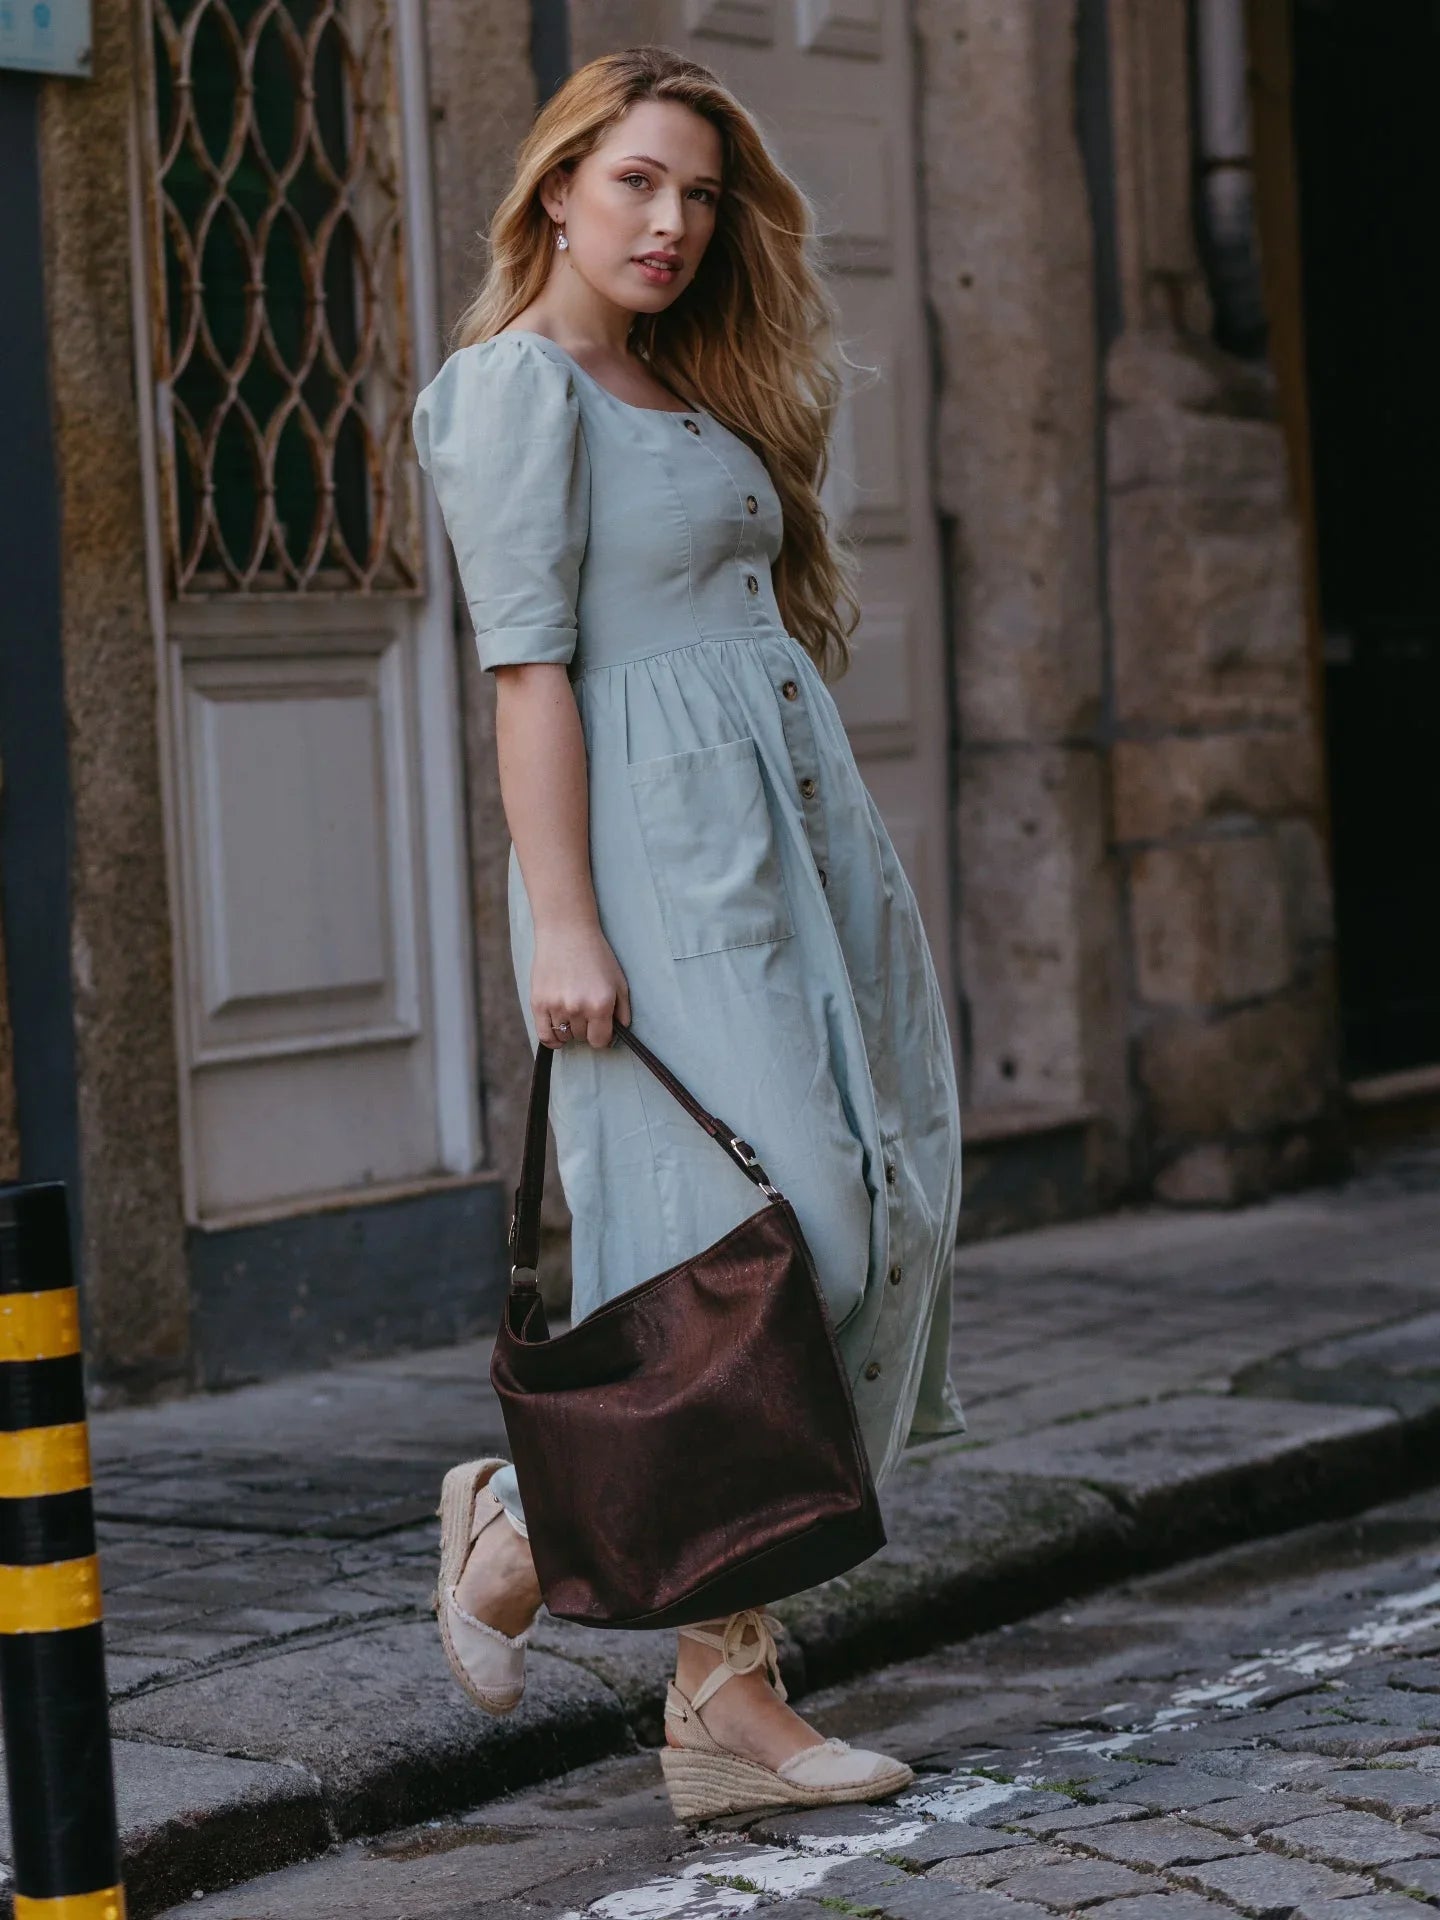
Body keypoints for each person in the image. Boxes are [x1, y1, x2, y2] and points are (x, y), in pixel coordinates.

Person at [412, 44, 964, 1822]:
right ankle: (523, 1527)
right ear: (557, 187)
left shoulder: (683, 388)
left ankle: (722, 1695)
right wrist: (562, 923)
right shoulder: (515, 391)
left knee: (881, 1217)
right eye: (636, 181)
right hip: (654, 876)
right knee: (781, 1237)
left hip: (787, 858)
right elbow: (526, 674)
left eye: (701, 194)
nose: (670, 221)